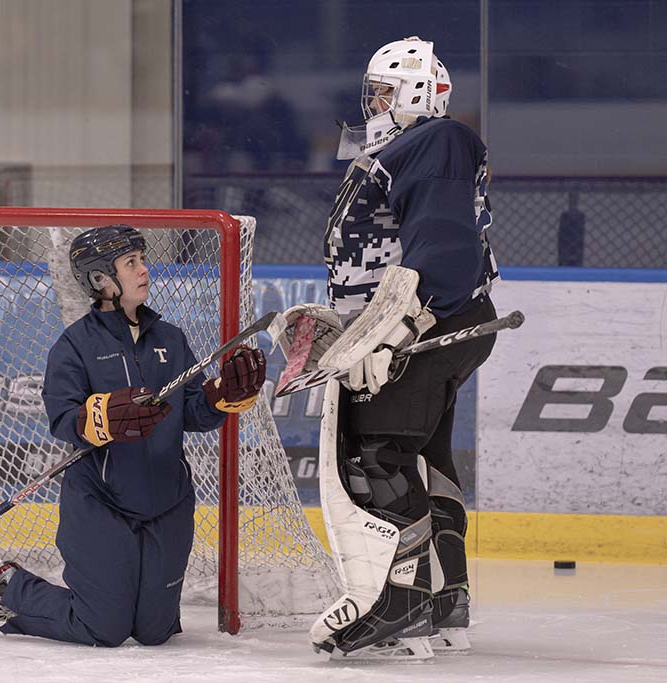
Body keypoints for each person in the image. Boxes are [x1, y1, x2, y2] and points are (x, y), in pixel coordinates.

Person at [0, 224, 266, 647]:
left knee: (154, 632)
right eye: (131, 263)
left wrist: (224, 396)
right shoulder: (74, 346)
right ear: (100, 280)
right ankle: (11, 586)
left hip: (167, 499)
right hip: (101, 501)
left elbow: (193, 411)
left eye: (142, 260)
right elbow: (63, 417)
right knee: (103, 628)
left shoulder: (170, 339)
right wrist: (103, 415)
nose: (144, 270)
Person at [299, 37, 499, 660]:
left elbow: (443, 248)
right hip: (424, 322)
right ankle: (447, 596)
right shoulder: (406, 148)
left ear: (416, 92)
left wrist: (402, 328)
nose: (375, 103)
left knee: (376, 456)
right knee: (420, 457)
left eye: (384, 91)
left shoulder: (432, 139)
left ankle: (403, 600)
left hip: (420, 326)